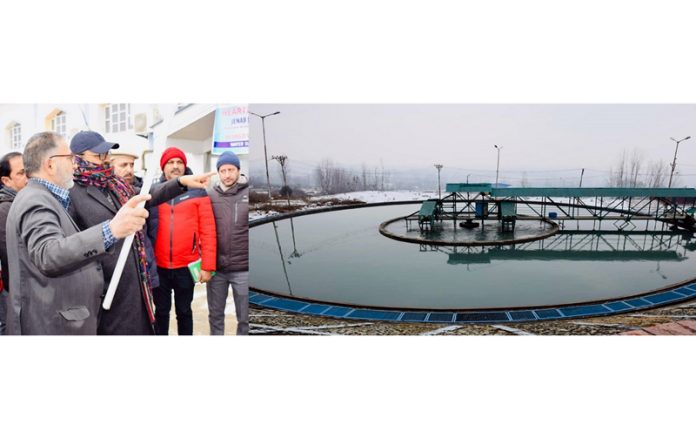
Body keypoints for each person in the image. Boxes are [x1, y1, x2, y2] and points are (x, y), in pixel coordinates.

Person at [67, 131, 214, 335]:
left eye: (106, 154)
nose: (105, 159)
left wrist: (181, 183)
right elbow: (71, 246)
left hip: (134, 281)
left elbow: (148, 194)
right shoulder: (71, 194)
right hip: (105, 288)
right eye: (99, 155)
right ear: (78, 158)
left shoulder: (114, 185)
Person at [5, 131, 150, 335]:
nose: (74, 164)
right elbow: (49, 254)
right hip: (49, 324)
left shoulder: (45, 197)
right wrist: (111, 230)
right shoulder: (35, 200)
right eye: (69, 158)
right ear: (50, 164)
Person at [149, 147, 216, 335]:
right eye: (171, 163)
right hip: (159, 267)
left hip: (186, 266)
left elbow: (208, 230)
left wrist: (208, 266)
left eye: (179, 162)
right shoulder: (153, 192)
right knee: (160, 312)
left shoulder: (198, 191)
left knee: (184, 312)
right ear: (163, 167)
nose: (175, 166)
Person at [206, 151, 249, 335]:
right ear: (218, 173)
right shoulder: (209, 195)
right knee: (215, 316)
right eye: (222, 170)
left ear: (238, 170)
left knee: (245, 318)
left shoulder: (249, 194)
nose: (227, 175)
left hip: (243, 269)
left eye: (231, 169)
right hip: (217, 270)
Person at [0, 152, 28, 335]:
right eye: (21, 173)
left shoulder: (23, 202)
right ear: (6, 180)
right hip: (19, 293)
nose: (28, 177)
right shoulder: (5, 209)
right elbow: (11, 255)